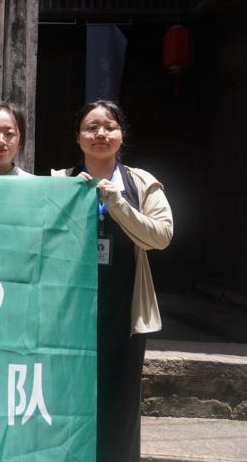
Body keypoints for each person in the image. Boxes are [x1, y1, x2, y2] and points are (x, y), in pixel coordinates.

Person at [52, 100, 173, 462]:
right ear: (78, 137)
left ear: (122, 135)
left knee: (121, 401)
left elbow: (160, 237)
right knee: (69, 396)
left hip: (124, 307)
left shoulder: (141, 183)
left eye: (109, 127)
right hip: (72, 309)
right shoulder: (60, 182)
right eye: (91, 127)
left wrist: (118, 204)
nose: (100, 134)